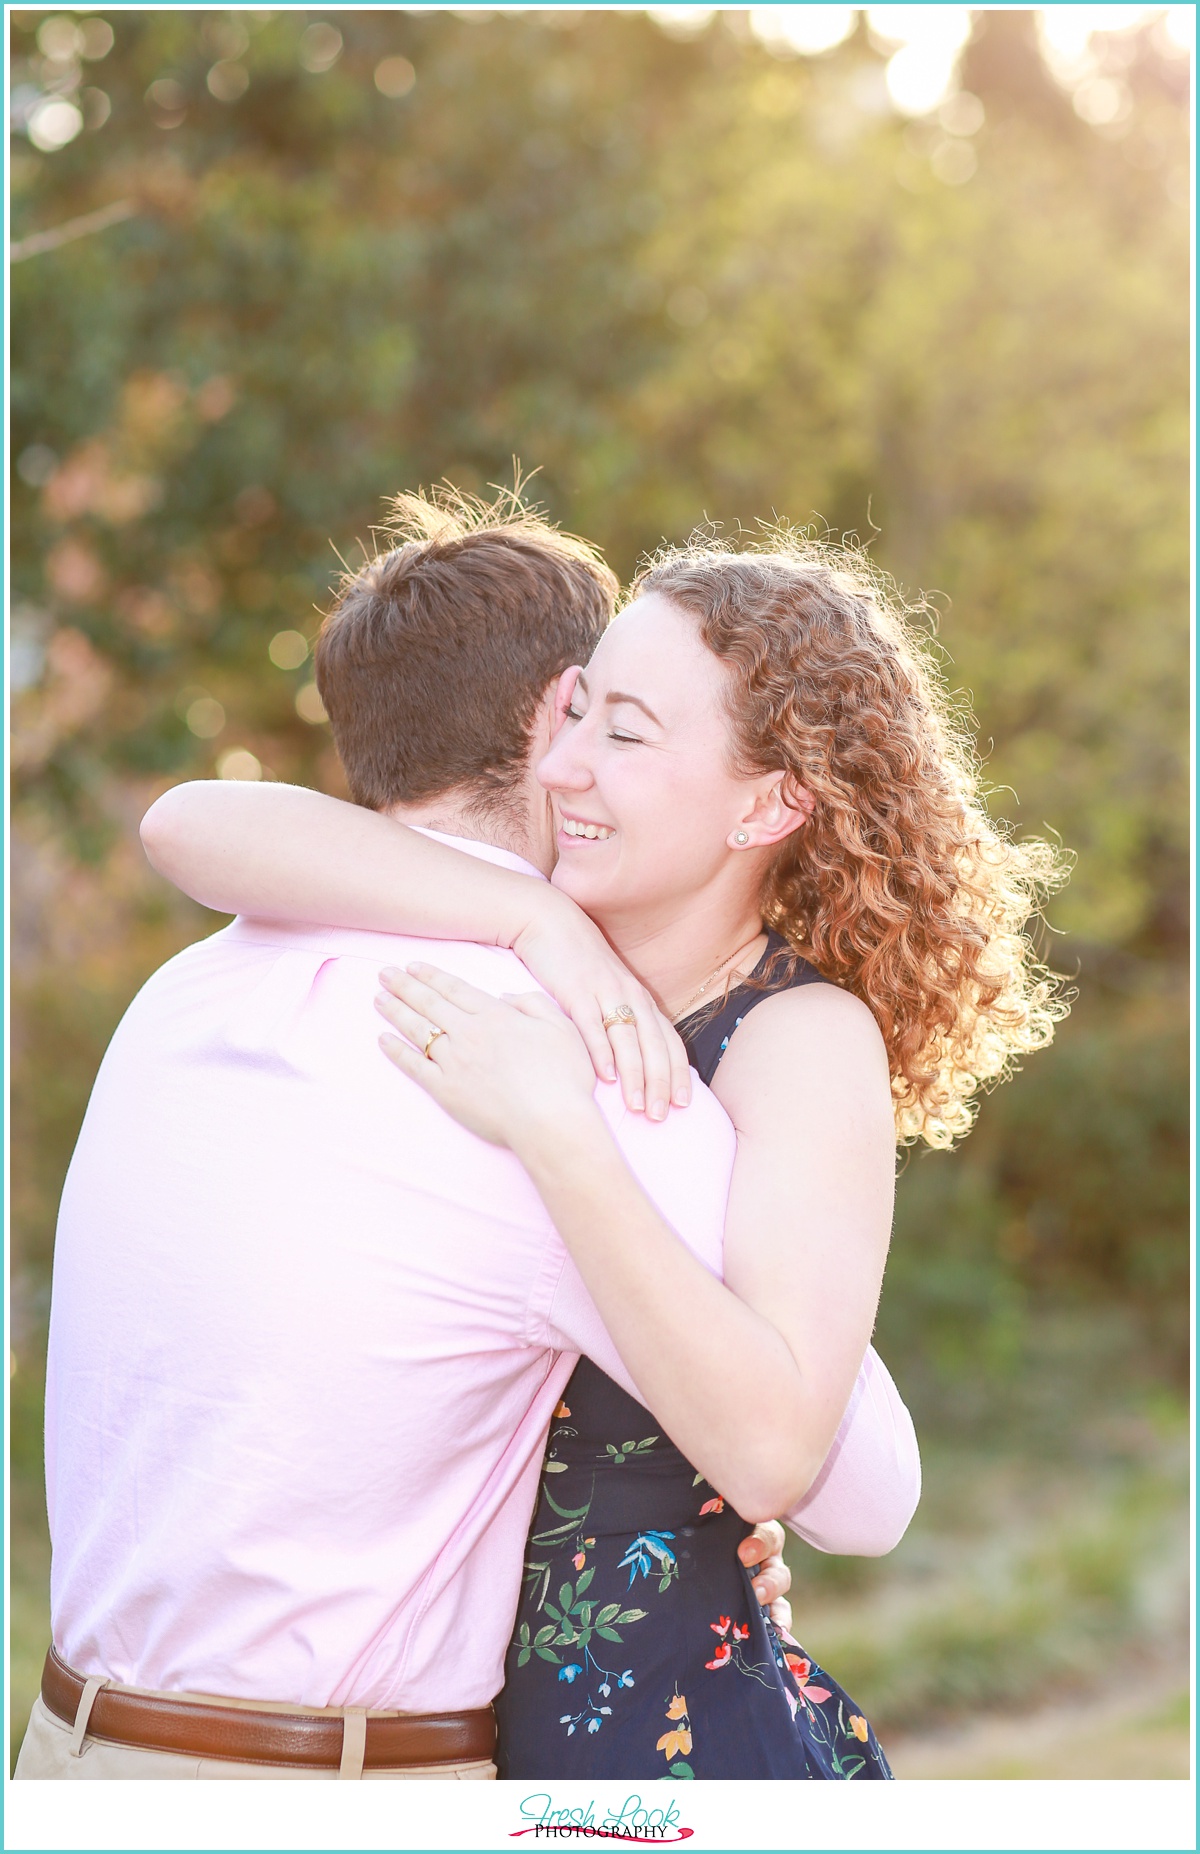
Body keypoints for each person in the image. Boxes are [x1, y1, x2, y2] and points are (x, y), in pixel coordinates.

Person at [138, 508, 1064, 1778]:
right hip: (473, 1741)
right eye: (575, 715)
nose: (564, 765)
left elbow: (814, 1455)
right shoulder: (532, 960)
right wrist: (533, 917)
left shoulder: (797, 1039)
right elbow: (193, 825)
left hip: (657, 1742)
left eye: (624, 734)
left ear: (769, 806)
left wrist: (560, 1137)